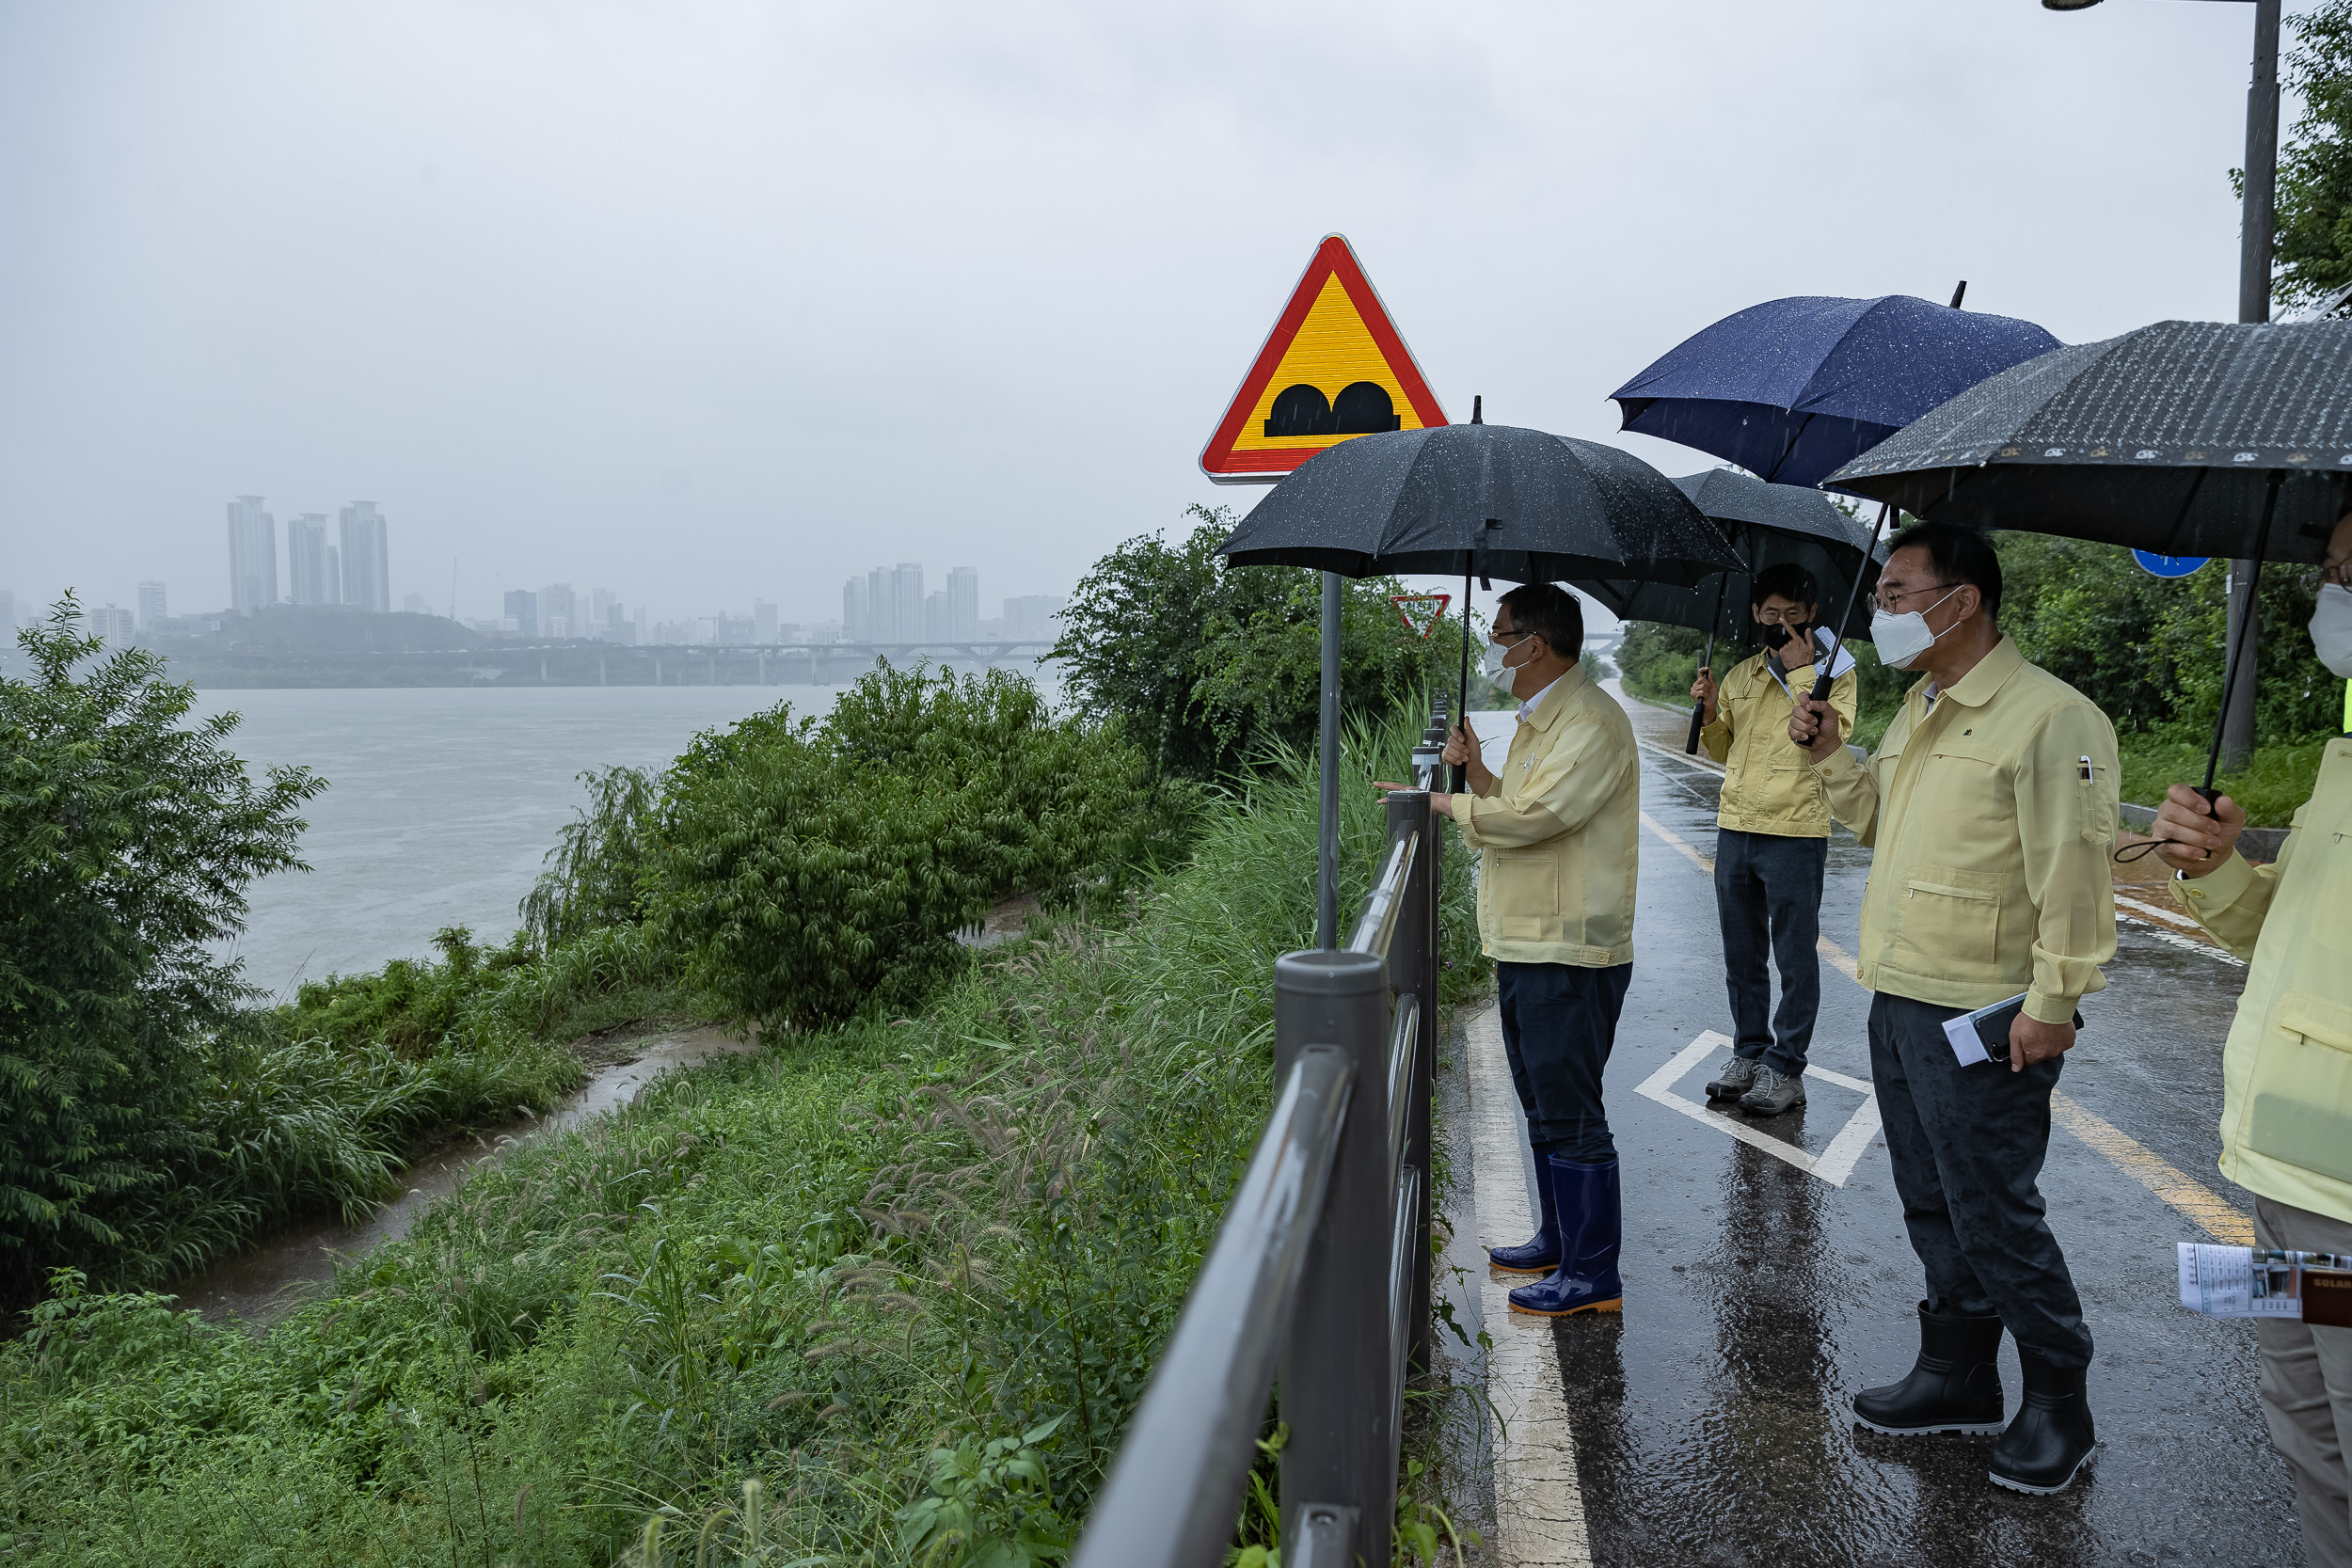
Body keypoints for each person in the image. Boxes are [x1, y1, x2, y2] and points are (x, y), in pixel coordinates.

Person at [1788, 521, 2118, 1496]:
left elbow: (2074, 874)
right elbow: (1882, 821)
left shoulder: (2048, 717)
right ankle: (1958, 1369)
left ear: (1959, 600)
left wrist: (2053, 1000)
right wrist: (1832, 754)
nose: (1880, 612)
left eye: (1894, 594)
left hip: (1988, 1008)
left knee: (1993, 1209)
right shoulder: (1922, 706)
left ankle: (2059, 1395)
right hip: (1899, 994)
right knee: (1931, 1199)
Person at [2144, 508, 2352, 1568]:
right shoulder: (2343, 758)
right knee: (2304, 1424)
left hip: (2346, 1193)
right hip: (2275, 1169)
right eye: (2330, 571)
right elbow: (2280, 936)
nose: (2334, 597)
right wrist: (2216, 863)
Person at [1377, 582, 1640, 1318]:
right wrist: (1472, 773)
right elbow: (1507, 802)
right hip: (1529, 940)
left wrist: (1441, 802)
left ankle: (1594, 1274)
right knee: (1543, 1103)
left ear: (1535, 645)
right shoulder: (1539, 721)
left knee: (1571, 1107)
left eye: (1500, 634)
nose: (1492, 646)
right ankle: (1560, 1240)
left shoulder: (1590, 722)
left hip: (1569, 946)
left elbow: (1537, 816)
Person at [1688, 562, 1860, 1116]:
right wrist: (1712, 711)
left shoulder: (1838, 672)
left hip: (1794, 832)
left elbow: (1825, 735)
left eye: (1792, 613)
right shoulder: (1742, 675)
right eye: (1770, 613)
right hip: (1735, 827)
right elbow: (1722, 749)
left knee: (1793, 955)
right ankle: (1748, 1053)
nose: (1780, 623)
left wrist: (1805, 673)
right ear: (1756, 614)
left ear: (1812, 614)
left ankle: (1786, 1067)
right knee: (1741, 954)